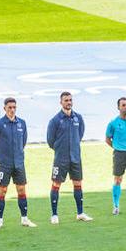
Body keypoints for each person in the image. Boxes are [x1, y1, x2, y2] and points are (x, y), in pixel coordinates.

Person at [0, 98, 35, 230]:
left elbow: (23, 141)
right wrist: (0, 156)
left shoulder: (22, 123)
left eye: (14, 107)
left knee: (21, 190)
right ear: (4, 108)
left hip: (19, 163)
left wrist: (18, 154)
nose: (12, 109)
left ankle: (24, 219)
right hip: (4, 164)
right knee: (2, 190)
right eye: (9, 107)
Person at [46, 92, 91, 225]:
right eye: (66, 100)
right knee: (56, 185)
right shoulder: (55, 120)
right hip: (61, 159)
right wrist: (60, 150)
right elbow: (50, 140)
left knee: (78, 184)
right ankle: (54, 214)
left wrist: (73, 147)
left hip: (75, 157)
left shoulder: (78, 118)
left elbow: (80, 134)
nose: (69, 102)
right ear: (61, 102)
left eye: (70, 100)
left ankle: (80, 213)